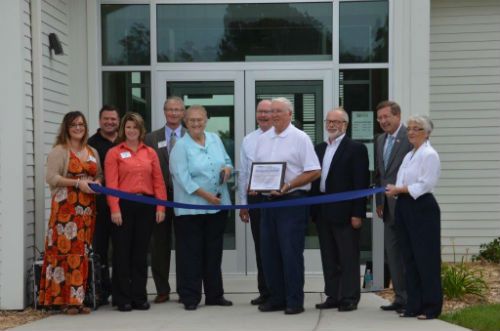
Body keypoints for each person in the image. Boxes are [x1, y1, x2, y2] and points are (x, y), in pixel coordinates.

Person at [253, 97, 321, 315]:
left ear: (290, 114)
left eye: (278, 111)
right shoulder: (263, 139)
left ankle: (294, 300)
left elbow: (314, 170)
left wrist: (288, 184)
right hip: (267, 202)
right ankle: (276, 298)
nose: (273, 115)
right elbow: (259, 169)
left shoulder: (300, 138)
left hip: (292, 201)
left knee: (290, 252)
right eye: (271, 111)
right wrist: (256, 185)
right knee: (269, 252)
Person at [169, 105, 233, 311]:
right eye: (192, 120)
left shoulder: (214, 138)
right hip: (191, 210)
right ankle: (190, 297)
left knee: (213, 253)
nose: (196, 123)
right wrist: (207, 197)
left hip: (218, 207)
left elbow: (227, 161)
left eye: (200, 119)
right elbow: (183, 179)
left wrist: (226, 170)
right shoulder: (180, 146)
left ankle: (215, 295)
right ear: (185, 123)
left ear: (206, 120)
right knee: (191, 254)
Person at [39, 111, 102, 315]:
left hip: (86, 210)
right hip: (65, 210)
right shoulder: (60, 150)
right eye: (74, 125)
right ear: (66, 128)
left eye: (81, 125)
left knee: (81, 255)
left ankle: (78, 299)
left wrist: (97, 183)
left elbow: (98, 174)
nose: (78, 128)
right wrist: (77, 183)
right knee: (65, 254)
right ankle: (63, 301)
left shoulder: (91, 150)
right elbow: (51, 178)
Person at [104, 112, 167, 312]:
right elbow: (111, 184)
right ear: (123, 129)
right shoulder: (114, 153)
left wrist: (160, 206)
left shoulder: (150, 152)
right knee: (122, 252)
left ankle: (139, 296)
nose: (131, 131)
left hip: (146, 205)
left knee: (141, 253)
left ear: (141, 130)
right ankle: (122, 297)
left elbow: (158, 181)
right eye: (128, 127)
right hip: (123, 205)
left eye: (135, 127)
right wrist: (114, 209)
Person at [311, 108, 369, 312]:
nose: (332, 125)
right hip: (323, 211)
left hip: (346, 213)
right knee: (329, 257)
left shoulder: (356, 148)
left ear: (345, 125)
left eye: (337, 121)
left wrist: (357, 213)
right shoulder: (319, 148)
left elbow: (361, 183)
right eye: (329, 121)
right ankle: (333, 295)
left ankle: (349, 297)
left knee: (348, 257)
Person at [386, 115, 442, 320]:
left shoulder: (429, 155)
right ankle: (414, 304)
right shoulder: (410, 155)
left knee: (425, 258)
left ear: (426, 133)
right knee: (408, 258)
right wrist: (397, 190)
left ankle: (431, 307)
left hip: (422, 207)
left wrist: (399, 189)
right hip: (404, 205)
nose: (410, 132)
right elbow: (402, 179)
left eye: (416, 129)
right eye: (409, 128)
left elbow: (426, 184)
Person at [144, 96, 186, 304]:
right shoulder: (151, 138)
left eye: (178, 109)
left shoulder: (191, 135)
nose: (174, 113)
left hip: (185, 197)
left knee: (185, 243)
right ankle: (162, 289)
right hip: (159, 197)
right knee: (159, 243)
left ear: (183, 112)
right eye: (170, 109)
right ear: (164, 111)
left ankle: (185, 288)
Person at [374, 101, 411, 312]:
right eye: (379, 118)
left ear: (398, 116)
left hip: (406, 206)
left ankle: (412, 297)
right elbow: (380, 174)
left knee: (407, 254)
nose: (383, 121)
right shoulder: (380, 140)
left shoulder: (410, 137)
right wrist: (379, 202)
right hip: (387, 207)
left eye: (386, 117)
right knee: (393, 254)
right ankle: (400, 297)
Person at [238, 99, 272, 305]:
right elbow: (243, 173)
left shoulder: (284, 137)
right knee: (261, 247)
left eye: (267, 112)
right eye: (260, 111)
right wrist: (243, 203)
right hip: (256, 198)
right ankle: (265, 291)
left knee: (278, 246)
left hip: (279, 197)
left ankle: (281, 289)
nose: (263, 115)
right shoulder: (248, 139)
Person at [88, 104, 120, 305]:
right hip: (98, 205)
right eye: (106, 119)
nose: (110, 122)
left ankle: (120, 291)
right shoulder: (90, 144)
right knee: (99, 249)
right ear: (100, 121)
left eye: (113, 119)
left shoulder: (125, 140)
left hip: (122, 205)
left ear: (118, 121)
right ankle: (101, 291)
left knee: (121, 249)